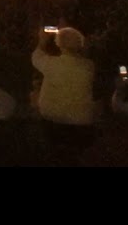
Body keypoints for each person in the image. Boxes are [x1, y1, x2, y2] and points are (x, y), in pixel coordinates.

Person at [32, 26, 97, 163]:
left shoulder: (51, 64)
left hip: (52, 122)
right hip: (81, 125)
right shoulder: (89, 66)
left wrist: (42, 41)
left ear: (58, 44)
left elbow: (36, 56)